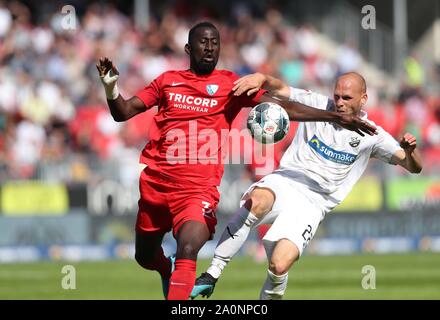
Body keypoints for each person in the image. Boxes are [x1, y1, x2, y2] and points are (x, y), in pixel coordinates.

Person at [96, 22, 376, 300]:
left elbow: (282, 107)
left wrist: (334, 116)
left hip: (198, 190)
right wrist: (111, 88)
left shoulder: (231, 84)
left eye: (215, 42)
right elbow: (123, 111)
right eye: (203, 42)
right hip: (157, 184)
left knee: (189, 248)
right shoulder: (167, 81)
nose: (209, 47)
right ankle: (164, 268)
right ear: (187, 48)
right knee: (144, 257)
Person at [191, 72, 423, 300]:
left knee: (279, 266)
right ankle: (211, 274)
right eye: (337, 96)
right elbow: (279, 88)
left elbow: (414, 167)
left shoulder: (373, 134)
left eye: (347, 98)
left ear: (363, 99)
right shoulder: (316, 103)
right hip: (287, 180)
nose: (340, 103)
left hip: (315, 203)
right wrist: (260, 78)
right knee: (256, 202)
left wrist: (411, 152)